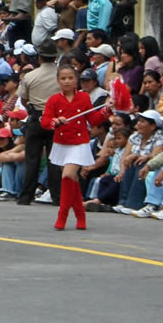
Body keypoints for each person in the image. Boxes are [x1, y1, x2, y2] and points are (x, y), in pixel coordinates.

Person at [42, 64, 113, 230]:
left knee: (67, 176)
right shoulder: (54, 100)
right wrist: (56, 121)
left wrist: (106, 110)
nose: (67, 81)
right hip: (61, 143)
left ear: (76, 80)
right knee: (72, 181)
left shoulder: (83, 98)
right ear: (58, 80)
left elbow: (93, 119)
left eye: (70, 78)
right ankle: (81, 215)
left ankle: (63, 215)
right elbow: (45, 122)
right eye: (63, 78)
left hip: (79, 143)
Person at [16, 39, 62, 205]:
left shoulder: (30, 75)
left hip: (36, 117)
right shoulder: (61, 75)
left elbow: (23, 98)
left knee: (32, 158)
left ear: (40, 57)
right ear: (55, 57)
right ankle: (57, 197)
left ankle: (26, 196)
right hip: (56, 118)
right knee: (54, 159)